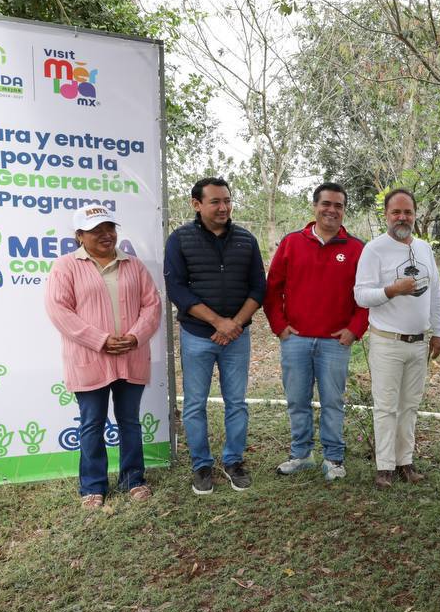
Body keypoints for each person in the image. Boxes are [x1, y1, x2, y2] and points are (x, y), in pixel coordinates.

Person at [46, 205, 161, 509]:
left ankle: (133, 479)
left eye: (109, 228)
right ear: (79, 235)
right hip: (89, 358)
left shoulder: (134, 265)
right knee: (92, 424)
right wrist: (100, 340)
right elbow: (59, 311)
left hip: (131, 355)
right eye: (96, 230)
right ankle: (93, 485)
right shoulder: (65, 267)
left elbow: (152, 305)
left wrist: (135, 336)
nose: (105, 235)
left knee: (129, 421)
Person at [164, 177, 266, 496]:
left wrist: (234, 324)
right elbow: (176, 289)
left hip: (237, 337)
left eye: (227, 200)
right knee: (195, 404)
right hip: (197, 336)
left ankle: (234, 461)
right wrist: (217, 322)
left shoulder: (246, 240)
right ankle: (201, 465)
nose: (224, 207)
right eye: (215, 202)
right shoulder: (180, 240)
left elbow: (258, 288)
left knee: (237, 403)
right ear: (196, 204)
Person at [265, 182, 368, 482]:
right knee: (297, 400)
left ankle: (333, 458)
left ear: (344, 210)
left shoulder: (356, 248)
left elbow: (366, 297)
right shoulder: (292, 243)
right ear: (315, 206)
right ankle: (301, 454)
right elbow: (272, 290)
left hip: (336, 343)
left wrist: (354, 330)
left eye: (338, 205)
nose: (331, 210)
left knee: (333, 402)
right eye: (326, 204)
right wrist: (280, 326)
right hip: (295, 340)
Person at [354, 189, 440, 489]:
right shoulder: (374, 250)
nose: (402, 217)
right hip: (387, 341)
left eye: (407, 212)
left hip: (418, 343)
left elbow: (436, 293)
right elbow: (361, 295)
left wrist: (438, 332)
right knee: (386, 406)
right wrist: (392, 290)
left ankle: (405, 462)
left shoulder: (424, 249)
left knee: (410, 405)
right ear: (386, 215)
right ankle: (384, 467)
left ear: (415, 214)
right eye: (396, 212)